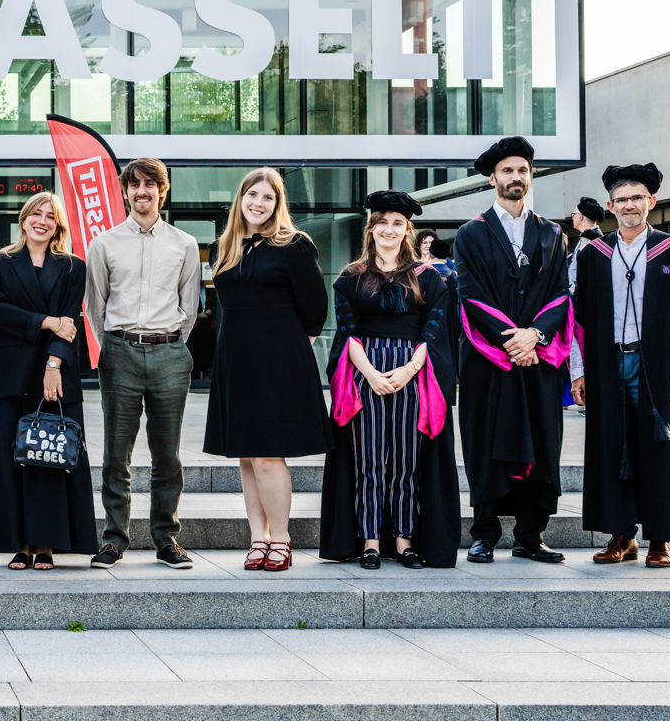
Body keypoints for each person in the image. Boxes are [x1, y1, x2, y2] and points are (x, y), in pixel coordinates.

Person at [571, 164, 670, 568]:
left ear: (651, 201)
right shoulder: (594, 253)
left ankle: (661, 538)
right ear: (610, 205)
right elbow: (578, 318)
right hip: (608, 362)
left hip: (657, 364)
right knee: (614, 446)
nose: (629, 205)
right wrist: (579, 371)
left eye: (637, 198)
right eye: (622, 199)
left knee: (659, 448)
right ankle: (622, 535)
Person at [319, 191, 460, 570]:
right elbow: (348, 333)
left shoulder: (429, 277)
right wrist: (369, 374)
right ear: (371, 228)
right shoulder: (352, 276)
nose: (389, 229)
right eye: (382, 222)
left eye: (398, 223)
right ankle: (369, 540)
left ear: (407, 230)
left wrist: (407, 370)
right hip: (365, 372)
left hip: (412, 373)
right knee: (368, 461)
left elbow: (433, 333)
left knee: (406, 462)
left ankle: (403, 540)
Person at [202, 167, 329, 573]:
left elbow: (315, 312)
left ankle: (282, 538)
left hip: (279, 361)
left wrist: (284, 350)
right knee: (246, 454)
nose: (258, 203)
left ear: (278, 204)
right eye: (252, 194)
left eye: (268, 197)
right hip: (235, 359)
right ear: (240, 198)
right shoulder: (223, 247)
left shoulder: (294, 245)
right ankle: (258, 538)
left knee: (267, 455)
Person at [456, 136, 573, 565]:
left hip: (537, 360)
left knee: (542, 443)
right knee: (486, 441)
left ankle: (530, 535)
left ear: (530, 175)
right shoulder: (471, 233)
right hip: (489, 360)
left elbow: (561, 293)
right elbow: (471, 294)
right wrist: (513, 340)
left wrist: (535, 336)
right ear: (493, 178)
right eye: (507, 170)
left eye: (522, 169)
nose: (516, 177)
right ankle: (484, 534)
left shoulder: (552, 234)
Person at [87, 158, 201, 570]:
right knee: (116, 455)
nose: (142, 191)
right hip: (120, 352)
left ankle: (166, 539)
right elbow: (96, 306)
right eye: (134, 185)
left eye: (150, 184)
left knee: (167, 456)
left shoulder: (185, 244)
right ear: (124, 192)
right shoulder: (104, 244)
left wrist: (169, 344)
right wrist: (117, 345)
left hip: (170, 352)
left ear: (162, 191)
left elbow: (190, 307)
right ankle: (114, 539)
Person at [0, 192, 96, 570]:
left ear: (58, 226)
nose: (42, 221)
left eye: (50, 216)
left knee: (50, 457)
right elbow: (0, 310)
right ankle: (19, 544)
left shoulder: (73, 266)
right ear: (24, 219)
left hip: (55, 372)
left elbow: (71, 321)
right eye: (36, 213)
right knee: (11, 459)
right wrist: (47, 322)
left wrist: (53, 364)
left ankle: (46, 544)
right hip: (11, 373)